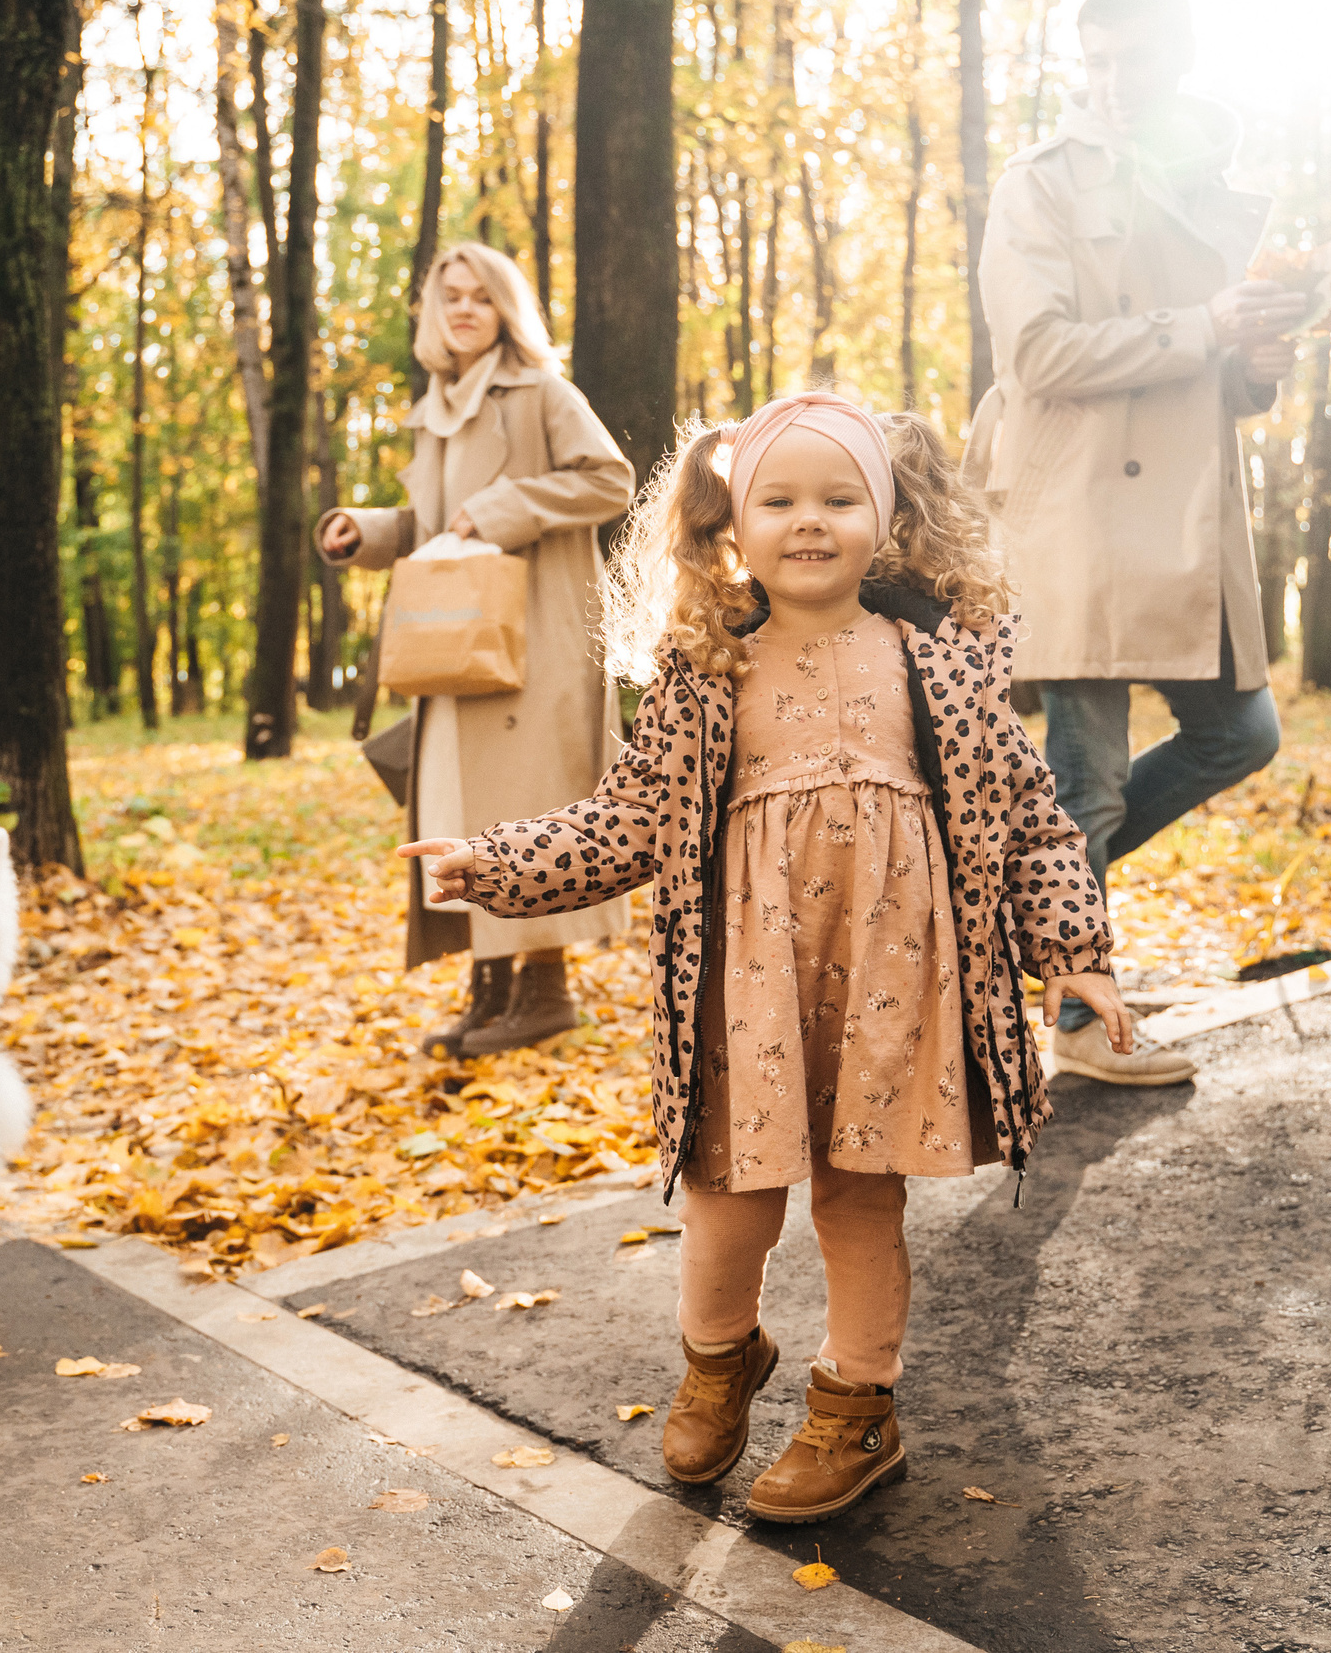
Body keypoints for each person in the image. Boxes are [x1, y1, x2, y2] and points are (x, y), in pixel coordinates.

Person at [403, 392, 1129, 1523]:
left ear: (881, 522)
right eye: (777, 500)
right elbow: (628, 821)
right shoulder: (705, 673)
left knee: (857, 1198)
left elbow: (1028, 813)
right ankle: (719, 1354)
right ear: (728, 526)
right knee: (726, 1203)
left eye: (839, 499)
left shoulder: (934, 659)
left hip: (895, 992)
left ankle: (856, 1409)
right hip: (747, 992)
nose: (808, 521)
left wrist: (1074, 950)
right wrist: (496, 864)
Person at [969, 0, 1305, 1085]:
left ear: (1180, 62)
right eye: (1096, 62)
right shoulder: (1039, 184)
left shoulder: (1212, 184)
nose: (1112, 85)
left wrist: (1253, 363)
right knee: (1086, 781)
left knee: (1240, 735)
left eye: (1137, 63)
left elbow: (1208, 370)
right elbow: (1038, 355)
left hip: (1183, 514)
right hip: (1077, 505)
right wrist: (1201, 324)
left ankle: (1050, 904)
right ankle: (1074, 1019)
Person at [318, 242, 635, 1058]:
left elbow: (610, 479)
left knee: (525, 802)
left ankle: (545, 988)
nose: (462, 309)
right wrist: (371, 531)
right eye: (449, 296)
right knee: (465, 808)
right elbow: (434, 523)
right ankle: (490, 989)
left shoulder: (542, 392)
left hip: (537, 635)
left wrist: (505, 506)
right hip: (461, 640)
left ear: (505, 310)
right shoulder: (435, 409)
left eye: (480, 298)